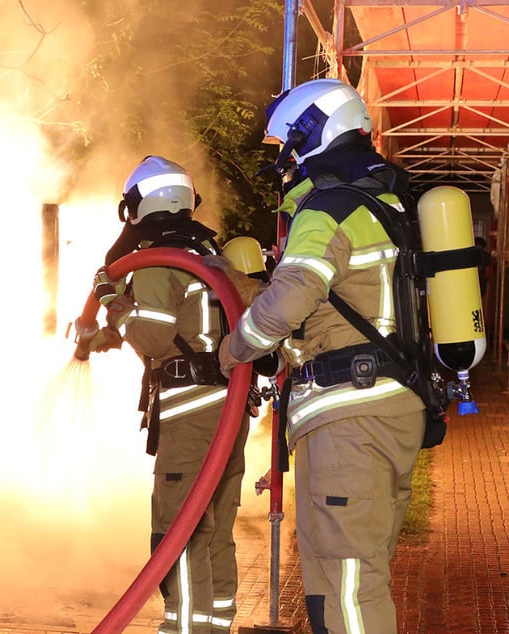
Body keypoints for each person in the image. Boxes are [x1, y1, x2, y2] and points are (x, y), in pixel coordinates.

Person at [217, 78, 427, 633]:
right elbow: (331, 317)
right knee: (335, 584)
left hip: (350, 421)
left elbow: (293, 296)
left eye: (286, 143)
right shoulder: (380, 203)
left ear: (312, 131)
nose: (284, 159)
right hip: (372, 411)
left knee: (351, 588)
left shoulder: (328, 207)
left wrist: (234, 349)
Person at [84, 155, 262, 634]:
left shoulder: (156, 254)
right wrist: (105, 335)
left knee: (177, 535)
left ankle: (185, 630)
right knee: (213, 532)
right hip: (227, 406)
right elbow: (183, 323)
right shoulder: (204, 251)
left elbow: (154, 336)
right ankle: (213, 626)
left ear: (138, 203)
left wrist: (108, 299)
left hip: (191, 412)